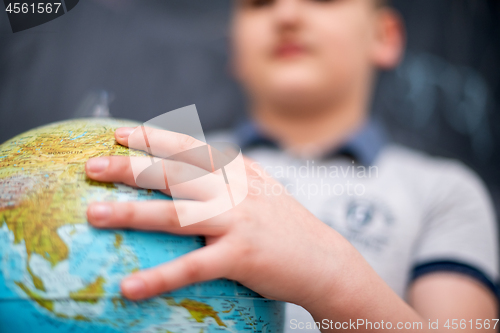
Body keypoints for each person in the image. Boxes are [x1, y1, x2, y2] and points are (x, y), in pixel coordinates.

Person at [84, 0, 498, 331]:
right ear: (235, 50)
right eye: (261, 3)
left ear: (384, 35)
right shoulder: (170, 163)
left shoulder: (446, 192)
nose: (287, 13)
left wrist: (328, 275)